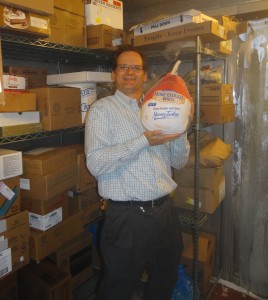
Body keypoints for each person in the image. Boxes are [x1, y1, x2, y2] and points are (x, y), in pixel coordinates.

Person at [85, 45, 193, 300]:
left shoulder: (160, 107)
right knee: (118, 287)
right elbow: (96, 163)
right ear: (114, 74)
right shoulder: (101, 111)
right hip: (127, 218)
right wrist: (143, 141)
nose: (130, 72)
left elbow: (179, 162)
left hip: (165, 213)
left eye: (136, 68)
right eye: (123, 67)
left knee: (165, 278)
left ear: (145, 75)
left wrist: (180, 129)